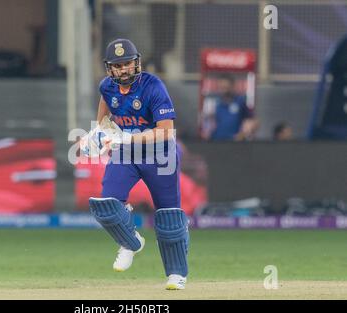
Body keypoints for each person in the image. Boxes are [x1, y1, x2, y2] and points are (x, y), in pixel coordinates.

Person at [79, 39, 189, 290]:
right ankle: (131, 242)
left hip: (160, 155)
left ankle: (176, 274)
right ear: (110, 68)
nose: (123, 69)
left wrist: (128, 136)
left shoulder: (153, 87)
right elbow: (104, 121)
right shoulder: (107, 87)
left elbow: (166, 132)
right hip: (127, 154)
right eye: (117, 66)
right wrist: (96, 135)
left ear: (136, 63)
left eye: (127, 63)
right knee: (107, 205)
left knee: (169, 217)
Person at [202, 74, 259, 141]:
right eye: (222, 88)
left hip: (234, 142)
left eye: (226, 87)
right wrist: (207, 133)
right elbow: (207, 121)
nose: (224, 91)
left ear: (232, 87)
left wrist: (242, 134)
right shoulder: (215, 103)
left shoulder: (240, 102)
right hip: (216, 141)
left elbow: (254, 122)